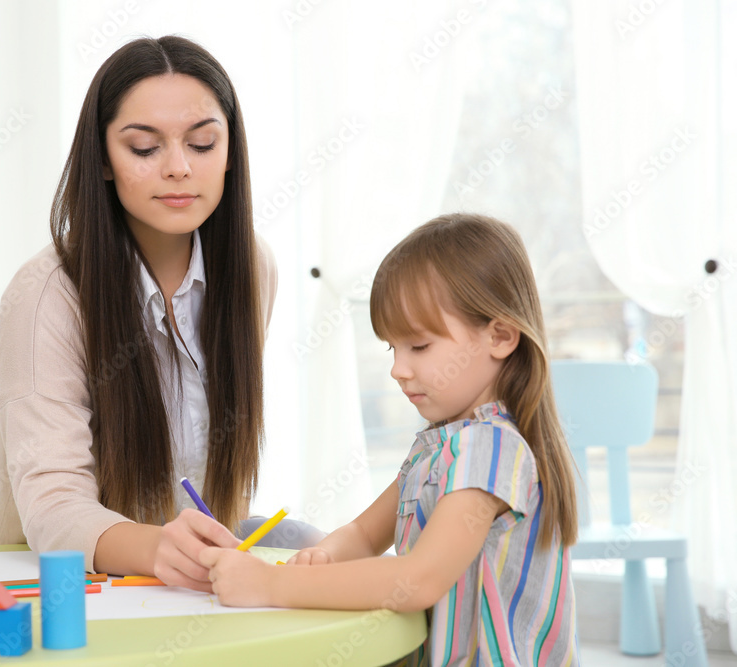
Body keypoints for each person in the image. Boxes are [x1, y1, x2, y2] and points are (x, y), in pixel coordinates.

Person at [0, 36, 321, 590]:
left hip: (185, 575)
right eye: (144, 148)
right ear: (104, 161)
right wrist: (160, 547)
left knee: (324, 553)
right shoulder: (45, 293)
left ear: (231, 153)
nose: (180, 168)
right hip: (60, 585)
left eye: (203, 143)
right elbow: (54, 508)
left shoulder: (251, 266)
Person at [201, 214, 580, 665]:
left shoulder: (491, 448)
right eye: (391, 348)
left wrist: (271, 585)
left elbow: (419, 579)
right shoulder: (437, 445)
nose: (398, 369)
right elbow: (363, 533)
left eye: (419, 347)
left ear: (500, 336)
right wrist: (320, 558)